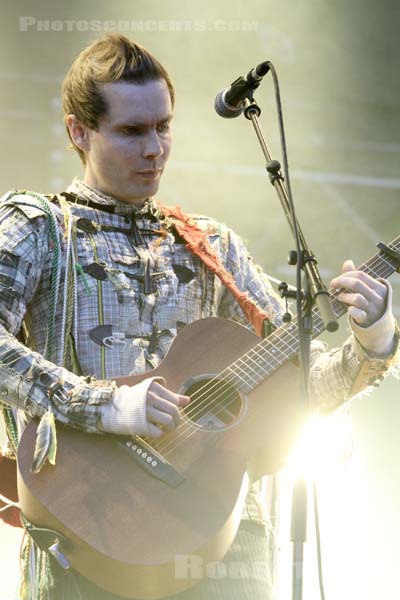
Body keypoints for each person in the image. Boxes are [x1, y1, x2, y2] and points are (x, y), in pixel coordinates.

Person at [0, 33, 397, 600]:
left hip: (225, 545)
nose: (155, 148)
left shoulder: (214, 245)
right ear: (78, 132)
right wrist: (102, 404)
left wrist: (373, 339)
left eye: (163, 127)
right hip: (90, 537)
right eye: (132, 131)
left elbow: (303, 386)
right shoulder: (38, 227)